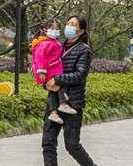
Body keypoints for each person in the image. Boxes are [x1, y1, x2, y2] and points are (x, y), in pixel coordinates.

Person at [41, 15, 98, 166]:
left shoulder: (84, 50)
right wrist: (46, 83)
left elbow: (80, 75)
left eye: (73, 24)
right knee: (48, 144)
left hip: (72, 104)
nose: (68, 26)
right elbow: (46, 68)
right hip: (53, 103)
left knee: (72, 146)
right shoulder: (56, 46)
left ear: (80, 31)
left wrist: (57, 80)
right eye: (68, 23)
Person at [31, 18, 77, 124]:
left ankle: (53, 112)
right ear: (45, 30)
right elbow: (40, 58)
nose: (55, 31)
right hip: (49, 71)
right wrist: (41, 72)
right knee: (61, 85)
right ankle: (63, 104)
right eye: (52, 29)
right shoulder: (44, 43)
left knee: (53, 91)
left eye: (57, 29)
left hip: (52, 69)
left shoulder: (51, 42)